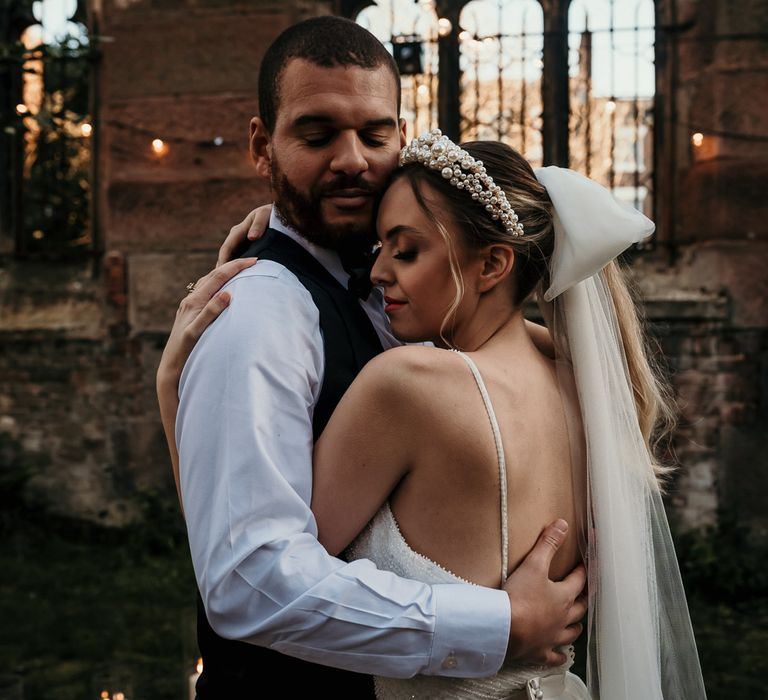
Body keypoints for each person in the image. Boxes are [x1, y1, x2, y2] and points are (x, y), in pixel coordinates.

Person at [161, 130, 707, 698]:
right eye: (380, 247)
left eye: (406, 250)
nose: (376, 272)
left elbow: (253, 575)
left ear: (493, 263)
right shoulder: (580, 382)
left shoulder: (409, 388)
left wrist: (174, 394)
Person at [156, 16, 587, 699]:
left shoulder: (422, 303)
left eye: (375, 134)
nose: (353, 159)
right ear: (261, 146)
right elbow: (247, 579)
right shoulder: (260, 314)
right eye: (317, 134)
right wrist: (497, 624)